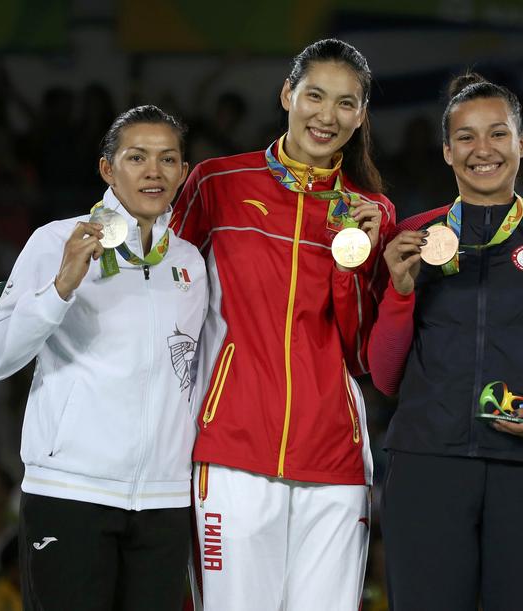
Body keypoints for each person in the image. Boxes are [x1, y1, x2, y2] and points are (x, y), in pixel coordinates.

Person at [169, 39, 395, 610]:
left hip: (335, 458)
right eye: (314, 96)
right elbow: (167, 301)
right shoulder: (217, 184)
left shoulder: (370, 211)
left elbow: (365, 352)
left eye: (346, 103)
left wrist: (360, 259)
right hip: (234, 449)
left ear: (362, 114)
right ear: (287, 94)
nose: (327, 116)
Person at [369, 73, 523, 611]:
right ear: (447, 151)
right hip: (429, 465)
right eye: (467, 137)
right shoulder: (415, 236)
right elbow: (385, 377)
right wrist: (401, 292)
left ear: (522, 144)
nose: (484, 150)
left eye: (498, 134)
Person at [0, 105, 206, 611]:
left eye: (168, 160)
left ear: (184, 173)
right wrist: (60, 287)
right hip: (69, 494)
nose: (154, 171)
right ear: (107, 169)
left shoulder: (191, 263)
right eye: (137, 157)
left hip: (163, 502)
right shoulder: (56, 241)